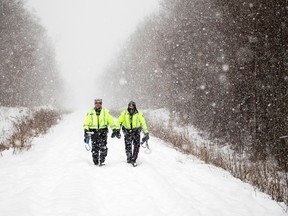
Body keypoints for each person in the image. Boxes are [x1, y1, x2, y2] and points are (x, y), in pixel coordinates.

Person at [83, 98, 118, 166]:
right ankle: (95, 162)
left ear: (101, 104)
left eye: (99, 103)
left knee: (103, 147)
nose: (98, 104)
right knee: (95, 148)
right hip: (94, 132)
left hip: (103, 132)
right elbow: (86, 123)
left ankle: (102, 161)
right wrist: (86, 131)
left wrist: (114, 129)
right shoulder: (90, 112)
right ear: (94, 104)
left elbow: (111, 121)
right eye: (96, 103)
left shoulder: (105, 112)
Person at [115, 100, 149, 167]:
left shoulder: (139, 113)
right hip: (127, 132)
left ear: (134, 106)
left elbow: (143, 123)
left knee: (136, 146)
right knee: (128, 146)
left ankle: (134, 159)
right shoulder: (124, 113)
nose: (131, 107)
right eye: (129, 105)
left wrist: (146, 132)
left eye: (132, 105)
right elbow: (119, 122)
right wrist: (117, 129)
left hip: (136, 132)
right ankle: (129, 158)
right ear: (128, 106)